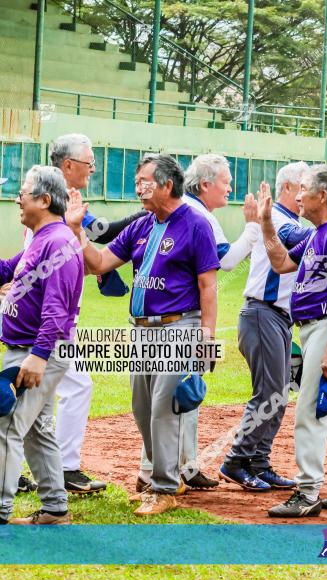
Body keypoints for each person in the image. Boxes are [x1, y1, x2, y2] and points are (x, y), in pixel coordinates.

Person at [68, 154, 220, 516]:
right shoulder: (142, 225)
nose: (139, 187)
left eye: (145, 181)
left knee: (164, 409)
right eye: (137, 181)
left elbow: (208, 284)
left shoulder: (196, 224)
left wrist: (207, 336)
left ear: (168, 184)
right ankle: (160, 477)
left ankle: (165, 487)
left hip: (178, 326)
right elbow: (100, 263)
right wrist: (76, 230)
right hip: (142, 331)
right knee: (141, 409)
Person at [18, 134, 147, 496]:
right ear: (69, 165)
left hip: (43, 307)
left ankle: (37, 467)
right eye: (89, 161)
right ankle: (63, 468)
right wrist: (150, 211)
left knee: (38, 396)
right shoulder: (58, 197)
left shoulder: (53, 194)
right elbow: (103, 232)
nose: (93, 167)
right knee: (65, 387)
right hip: (46, 312)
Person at [134, 153, 260, 492]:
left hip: (177, 324)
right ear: (204, 184)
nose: (230, 188)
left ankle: (175, 470)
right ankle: (163, 472)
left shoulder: (188, 213)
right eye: (225, 182)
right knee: (169, 401)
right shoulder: (193, 215)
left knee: (173, 398)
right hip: (171, 322)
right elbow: (226, 263)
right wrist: (253, 227)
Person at [260, 164, 327, 518]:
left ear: (321, 196)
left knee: (309, 412)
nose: (297, 196)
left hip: (326, 326)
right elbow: (279, 264)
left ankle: (307, 493)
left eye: (304, 189)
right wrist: (264, 223)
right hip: (314, 328)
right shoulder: (318, 233)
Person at [219, 161, 312, 491]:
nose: (305, 194)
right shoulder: (282, 222)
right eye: (302, 187)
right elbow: (304, 237)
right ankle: (235, 460)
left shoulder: (284, 220)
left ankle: (259, 462)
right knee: (269, 394)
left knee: (279, 394)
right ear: (286, 188)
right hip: (262, 315)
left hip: (276, 318)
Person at [0, 165, 84, 525]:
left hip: (39, 351)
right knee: (37, 429)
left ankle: (1, 512)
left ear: (45, 199)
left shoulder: (59, 243)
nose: (18, 198)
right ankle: (54, 509)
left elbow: (56, 310)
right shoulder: (41, 239)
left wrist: (37, 357)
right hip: (30, 349)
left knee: (6, 426)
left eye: (24, 192)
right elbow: (7, 270)